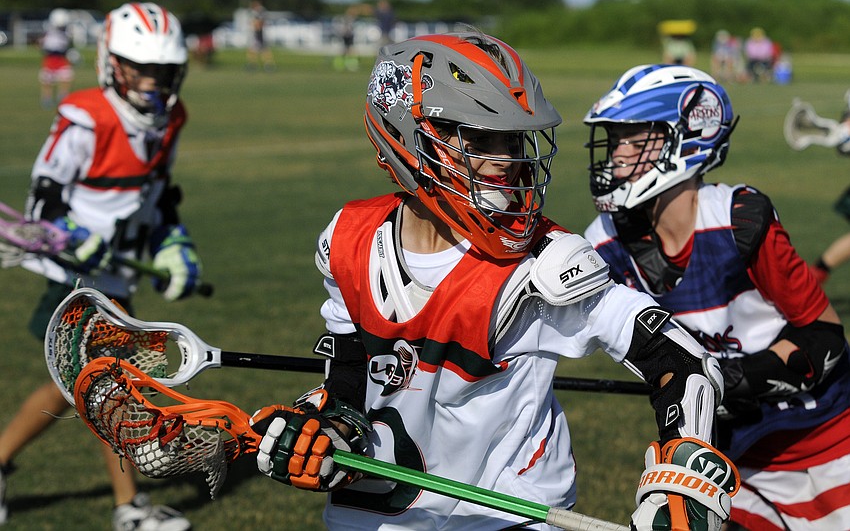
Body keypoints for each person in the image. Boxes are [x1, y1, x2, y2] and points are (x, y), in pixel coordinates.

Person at [248, 32, 739, 530]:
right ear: (407, 139)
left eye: (511, 141)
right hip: (375, 518)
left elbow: (681, 360)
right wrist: (327, 432)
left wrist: (684, 476)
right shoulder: (348, 242)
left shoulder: (542, 264)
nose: (506, 161)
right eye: (480, 140)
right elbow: (350, 383)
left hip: (505, 516)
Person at [582, 64, 850, 529]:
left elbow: (824, 340)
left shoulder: (739, 218)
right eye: (613, 140)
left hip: (825, 437)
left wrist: (727, 377)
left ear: (686, 140)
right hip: (732, 458)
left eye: (632, 139)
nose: (616, 156)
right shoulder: (604, 245)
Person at [0, 2, 204, 530]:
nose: (151, 79)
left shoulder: (170, 119)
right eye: (139, 66)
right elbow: (43, 199)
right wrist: (72, 237)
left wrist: (172, 245)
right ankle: (129, 509)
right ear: (111, 62)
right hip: (74, 277)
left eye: (161, 68)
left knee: (77, 388)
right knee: (110, 386)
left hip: (118, 274)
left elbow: (159, 197)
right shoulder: (84, 116)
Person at [39, 8, 76, 109]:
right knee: (47, 81)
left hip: (62, 58)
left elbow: (68, 46)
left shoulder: (67, 31)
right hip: (50, 58)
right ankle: (46, 99)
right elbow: (43, 45)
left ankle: (63, 97)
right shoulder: (48, 30)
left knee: (66, 79)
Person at [245, 0, 275, 72]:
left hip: (259, 34)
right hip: (258, 33)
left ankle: (266, 65)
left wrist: (256, 28)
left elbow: (259, 23)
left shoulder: (260, 13)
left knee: (261, 50)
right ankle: (257, 64)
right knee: (256, 50)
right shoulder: (260, 13)